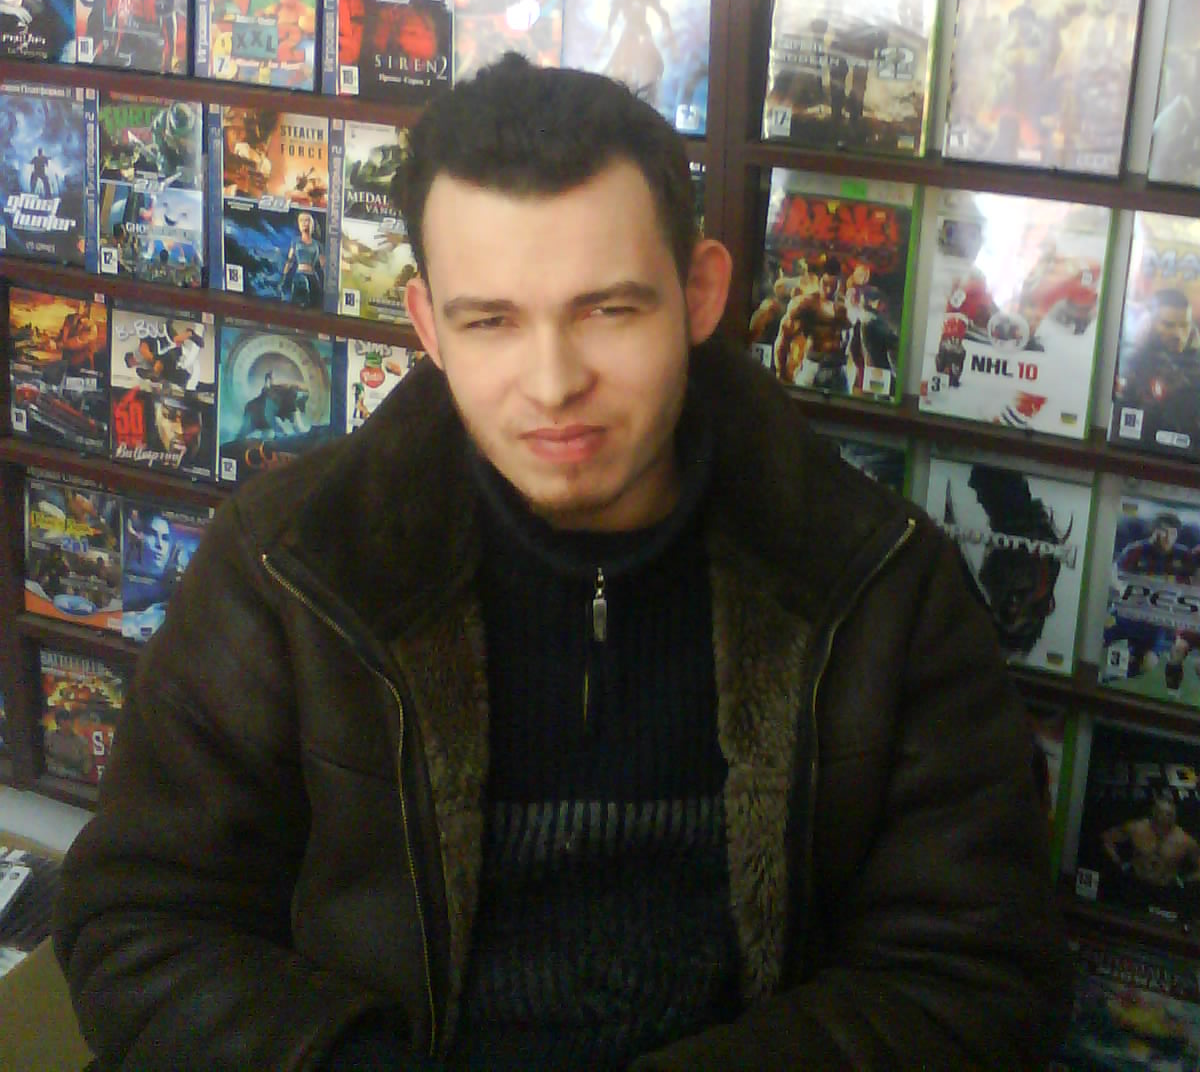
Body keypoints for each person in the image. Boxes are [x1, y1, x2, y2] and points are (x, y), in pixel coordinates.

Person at [55, 54, 1070, 1070]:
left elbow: (972, 977)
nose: (552, 383)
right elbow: (141, 923)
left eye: (608, 310)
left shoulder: (881, 582)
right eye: (490, 320)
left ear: (701, 293)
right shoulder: (287, 567)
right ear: (428, 327)